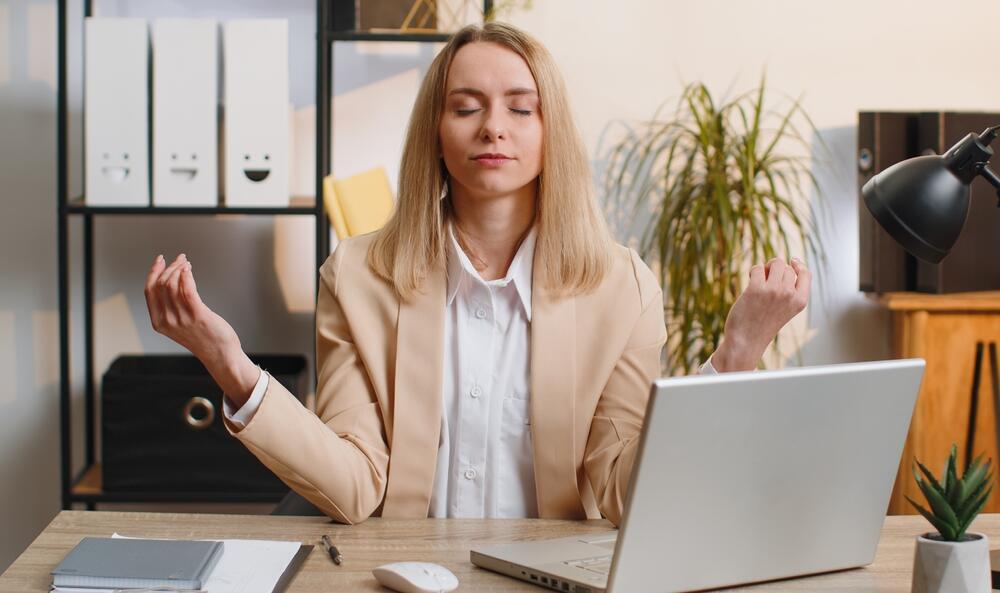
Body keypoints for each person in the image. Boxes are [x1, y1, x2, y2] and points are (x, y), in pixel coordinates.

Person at [143, 22, 810, 526]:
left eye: (522, 108)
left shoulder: (623, 288)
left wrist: (736, 354)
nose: (495, 127)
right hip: (400, 571)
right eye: (466, 107)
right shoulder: (357, 275)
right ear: (435, 130)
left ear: (553, 133)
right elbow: (353, 485)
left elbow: (616, 488)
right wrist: (229, 364)